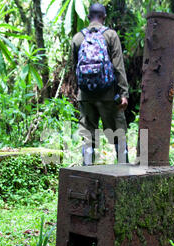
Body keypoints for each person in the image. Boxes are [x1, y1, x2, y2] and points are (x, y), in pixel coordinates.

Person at [72, 3, 130, 165]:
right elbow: (118, 66)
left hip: (86, 96)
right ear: (104, 17)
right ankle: (124, 170)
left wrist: (81, 92)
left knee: (88, 134)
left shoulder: (78, 38)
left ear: (88, 17)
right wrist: (124, 93)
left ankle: (87, 171)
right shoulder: (110, 35)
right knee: (119, 132)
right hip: (109, 95)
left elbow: (74, 68)